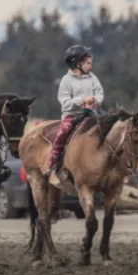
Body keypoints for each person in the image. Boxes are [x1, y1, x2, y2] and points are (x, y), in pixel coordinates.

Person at [48, 45, 104, 185]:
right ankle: (54, 163)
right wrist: (82, 101)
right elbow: (65, 103)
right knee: (63, 132)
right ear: (77, 63)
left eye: (90, 63)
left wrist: (95, 101)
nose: (90, 66)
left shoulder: (92, 78)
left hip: (91, 114)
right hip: (72, 115)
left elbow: (99, 93)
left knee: (109, 128)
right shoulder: (66, 81)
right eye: (88, 63)